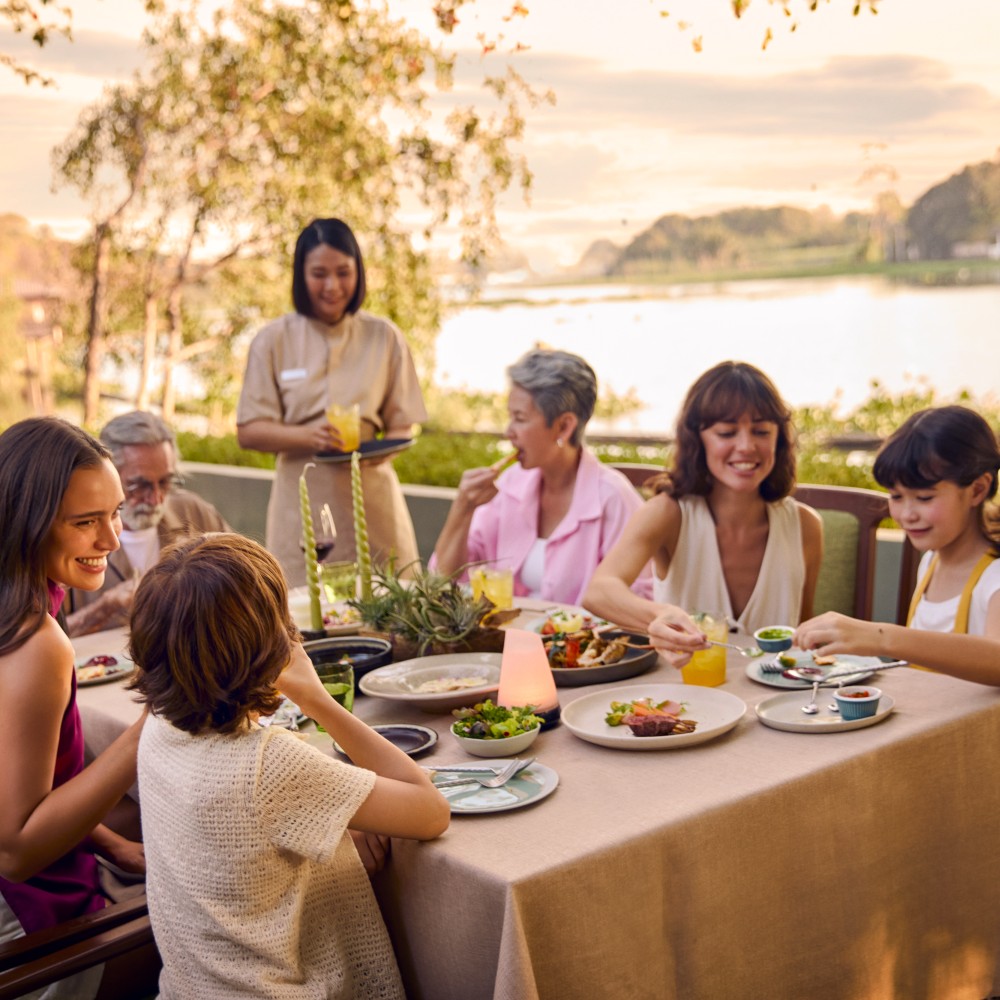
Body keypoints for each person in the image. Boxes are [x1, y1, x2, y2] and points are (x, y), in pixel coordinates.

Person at [130, 533, 449, 997]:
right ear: (271, 643)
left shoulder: (159, 731)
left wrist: (335, 820)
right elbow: (429, 811)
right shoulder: (268, 764)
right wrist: (317, 699)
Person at [0, 417, 146, 997]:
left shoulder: (21, 603)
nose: (110, 541)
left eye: (114, 512)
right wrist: (149, 727)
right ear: (25, 522)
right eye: (85, 522)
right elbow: (14, 850)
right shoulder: (34, 641)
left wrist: (108, 841)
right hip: (26, 921)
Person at [585, 361, 823, 666]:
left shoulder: (806, 526)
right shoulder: (667, 513)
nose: (746, 446)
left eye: (761, 431)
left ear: (779, 438)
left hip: (775, 705)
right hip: (686, 704)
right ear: (698, 439)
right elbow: (600, 590)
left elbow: (802, 639)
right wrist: (658, 617)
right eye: (726, 433)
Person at [237, 218, 426, 587]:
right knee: (302, 617)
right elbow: (249, 431)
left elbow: (404, 423)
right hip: (301, 504)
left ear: (359, 272)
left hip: (372, 498)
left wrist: (384, 450)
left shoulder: (384, 336)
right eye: (319, 274)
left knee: (387, 616)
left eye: (344, 272)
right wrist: (311, 438)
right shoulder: (272, 340)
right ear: (300, 275)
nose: (332, 286)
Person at [795, 405, 1000, 685]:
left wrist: (881, 638)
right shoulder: (932, 561)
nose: (907, 514)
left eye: (925, 498)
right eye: (896, 496)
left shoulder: (994, 576)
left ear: (977, 489)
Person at [431, 348, 653, 606]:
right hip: (502, 642)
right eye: (509, 417)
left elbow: (639, 598)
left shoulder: (614, 499)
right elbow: (443, 581)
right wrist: (463, 509)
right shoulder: (508, 486)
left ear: (564, 426)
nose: (508, 432)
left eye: (520, 418)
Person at [65, 410, 229, 636]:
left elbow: (243, 582)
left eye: (165, 482)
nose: (156, 498)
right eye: (139, 485)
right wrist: (105, 607)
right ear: (107, 475)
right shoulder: (71, 532)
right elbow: (36, 641)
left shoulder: (194, 512)